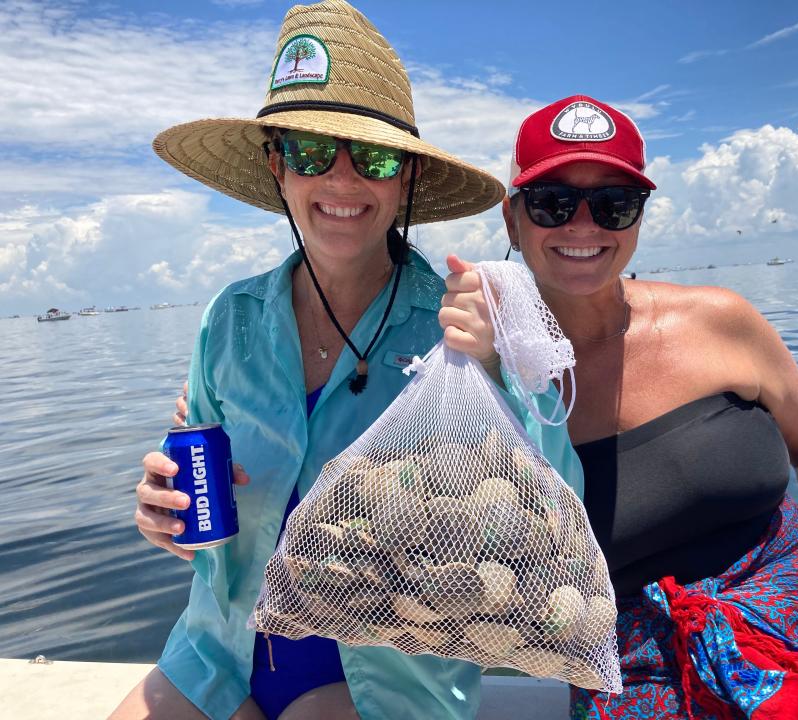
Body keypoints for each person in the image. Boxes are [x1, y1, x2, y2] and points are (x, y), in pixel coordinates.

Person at [115, 4, 581, 719]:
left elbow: (556, 515)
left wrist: (499, 366)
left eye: (376, 158)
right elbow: (206, 511)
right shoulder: (228, 319)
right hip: (215, 653)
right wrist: (166, 518)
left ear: (407, 180)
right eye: (308, 151)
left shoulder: (462, 322)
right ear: (277, 165)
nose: (341, 180)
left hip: (382, 684)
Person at [442, 95, 798, 719]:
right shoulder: (484, 376)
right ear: (511, 218)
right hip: (639, 662)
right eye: (553, 201)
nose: (584, 225)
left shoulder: (721, 320)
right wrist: (496, 371)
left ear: (637, 218)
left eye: (614, 204)